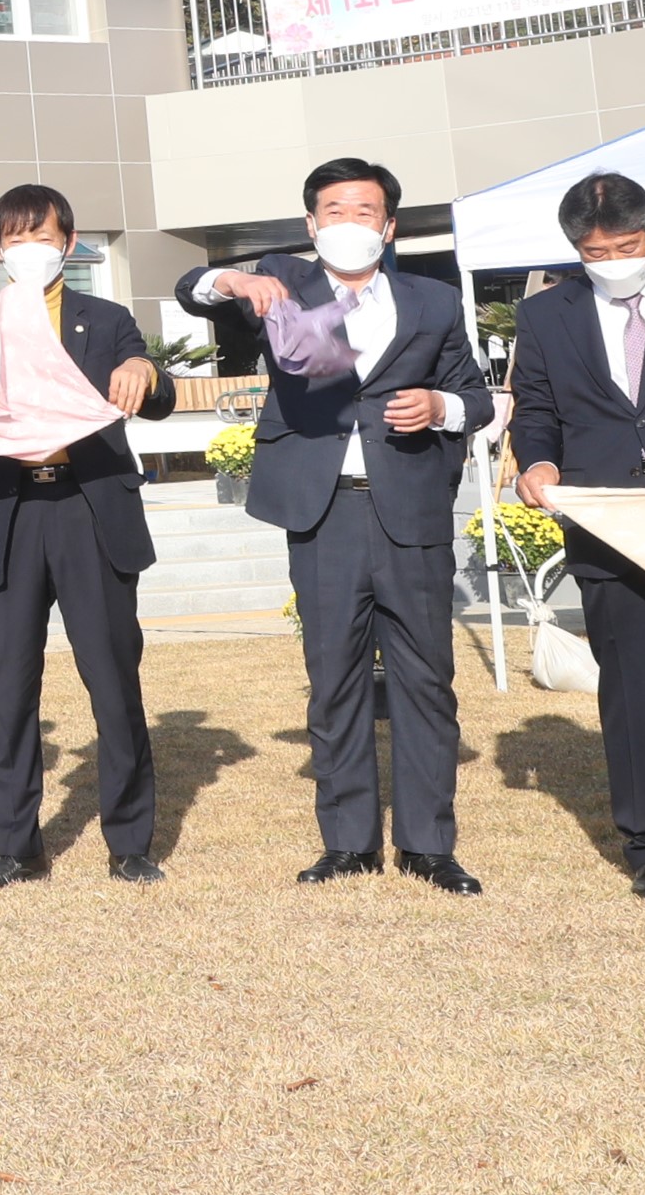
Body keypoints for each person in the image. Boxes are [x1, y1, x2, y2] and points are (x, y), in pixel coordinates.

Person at [177, 156, 493, 894]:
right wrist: (232, 280)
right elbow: (187, 290)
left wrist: (440, 409)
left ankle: (427, 845)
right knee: (333, 677)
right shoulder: (281, 280)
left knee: (425, 677)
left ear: (387, 226)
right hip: (320, 508)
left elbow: (473, 396)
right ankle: (347, 842)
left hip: (409, 504)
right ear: (312, 223)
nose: (349, 223)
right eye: (334, 210)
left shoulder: (433, 299)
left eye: (365, 212)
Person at [0, 184, 176, 888]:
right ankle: (15, 845)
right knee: (11, 686)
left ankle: (129, 842)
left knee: (111, 680)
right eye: (14, 237)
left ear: (67, 243)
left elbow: (158, 393)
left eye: (43, 235)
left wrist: (141, 368)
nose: (29, 248)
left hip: (88, 511)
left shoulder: (106, 318)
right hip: (5, 513)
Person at [507, 171, 645, 900]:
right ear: (574, 251)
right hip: (606, 525)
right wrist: (536, 460)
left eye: (626, 245)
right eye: (595, 252)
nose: (613, 260)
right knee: (627, 694)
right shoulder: (544, 316)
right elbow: (533, 407)